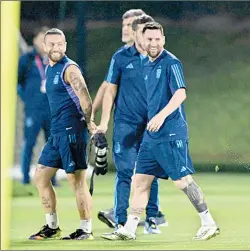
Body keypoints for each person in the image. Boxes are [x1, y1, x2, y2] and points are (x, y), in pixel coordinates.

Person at [102, 22, 219, 241]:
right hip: (152, 135)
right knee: (140, 181)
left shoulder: (171, 62)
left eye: (158, 39)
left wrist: (160, 116)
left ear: (163, 40)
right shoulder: (147, 64)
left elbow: (180, 94)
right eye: (150, 39)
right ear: (142, 41)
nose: (154, 43)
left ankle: (208, 222)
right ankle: (129, 227)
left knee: (182, 181)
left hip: (171, 133)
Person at [94, 9, 167, 230]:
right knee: (125, 172)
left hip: (152, 126)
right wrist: (104, 122)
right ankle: (120, 220)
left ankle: (153, 218)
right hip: (126, 125)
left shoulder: (162, 59)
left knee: (149, 172)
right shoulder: (120, 57)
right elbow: (110, 91)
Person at [29, 28, 96, 240]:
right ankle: (52, 227)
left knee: (76, 182)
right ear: (44, 46)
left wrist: (90, 124)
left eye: (60, 44)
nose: (56, 48)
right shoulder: (50, 69)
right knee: (40, 178)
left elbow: (85, 99)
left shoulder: (70, 69)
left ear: (65, 45)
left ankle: (86, 230)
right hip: (56, 134)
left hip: (72, 133)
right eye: (52, 44)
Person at [17, 26, 57, 186]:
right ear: (34, 41)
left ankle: (52, 178)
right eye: (41, 40)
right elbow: (17, 82)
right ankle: (25, 178)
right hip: (33, 110)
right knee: (29, 143)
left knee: (53, 145)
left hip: (51, 109)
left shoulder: (55, 60)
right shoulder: (27, 60)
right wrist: (27, 99)